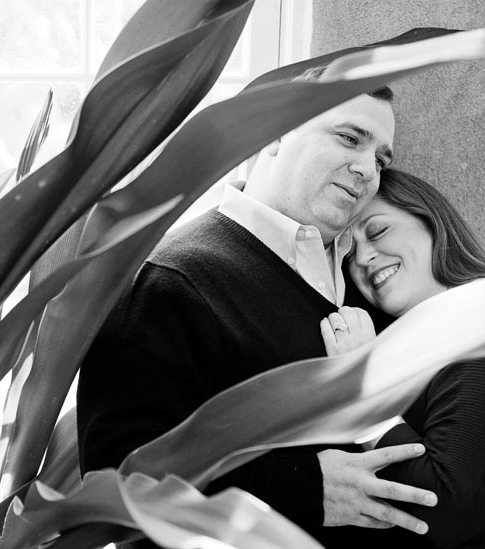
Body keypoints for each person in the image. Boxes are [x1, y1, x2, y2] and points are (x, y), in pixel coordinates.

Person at [77, 71, 440, 547]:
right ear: (274, 132)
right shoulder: (167, 280)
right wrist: (305, 487)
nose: (367, 170)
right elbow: (120, 484)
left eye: (380, 158)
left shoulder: (371, 280)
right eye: (349, 138)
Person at [316, 168, 485, 548]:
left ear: (432, 223)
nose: (362, 257)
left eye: (377, 231)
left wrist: (363, 391)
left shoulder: (482, 325)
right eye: (346, 254)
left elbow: (442, 509)